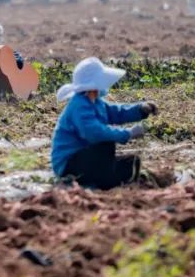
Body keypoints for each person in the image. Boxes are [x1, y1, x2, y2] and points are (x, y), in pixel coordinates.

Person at [50, 57, 156, 190]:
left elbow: (116, 112)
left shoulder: (96, 102)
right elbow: (94, 133)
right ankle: (93, 180)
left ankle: (104, 180)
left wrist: (140, 109)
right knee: (105, 143)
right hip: (69, 163)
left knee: (132, 162)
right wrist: (127, 133)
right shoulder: (78, 105)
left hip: (86, 158)